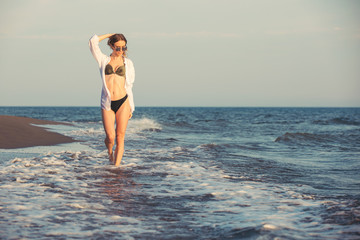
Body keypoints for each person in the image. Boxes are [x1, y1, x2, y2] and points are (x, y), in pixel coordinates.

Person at [89, 33, 135, 166]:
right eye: (118, 48)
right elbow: (93, 42)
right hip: (107, 103)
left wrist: (131, 106)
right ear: (111, 46)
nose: (121, 51)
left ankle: (116, 168)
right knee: (110, 137)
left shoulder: (128, 63)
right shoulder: (103, 60)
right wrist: (111, 34)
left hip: (123, 102)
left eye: (123, 48)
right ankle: (110, 153)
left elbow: (130, 85)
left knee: (120, 137)